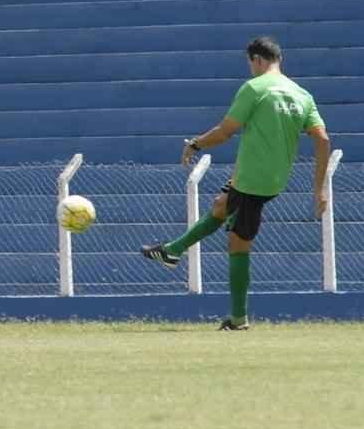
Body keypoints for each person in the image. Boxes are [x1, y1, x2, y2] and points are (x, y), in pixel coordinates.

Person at [141, 37, 331, 330]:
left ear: (256, 59)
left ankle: (239, 319)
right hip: (271, 178)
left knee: (238, 244)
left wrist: (195, 144)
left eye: (250, 64)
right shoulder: (302, 94)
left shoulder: (255, 88)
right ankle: (172, 251)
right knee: (220, 206)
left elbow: (226, 131)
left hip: (252, 181)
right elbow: (322, 139)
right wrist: (318, 187)